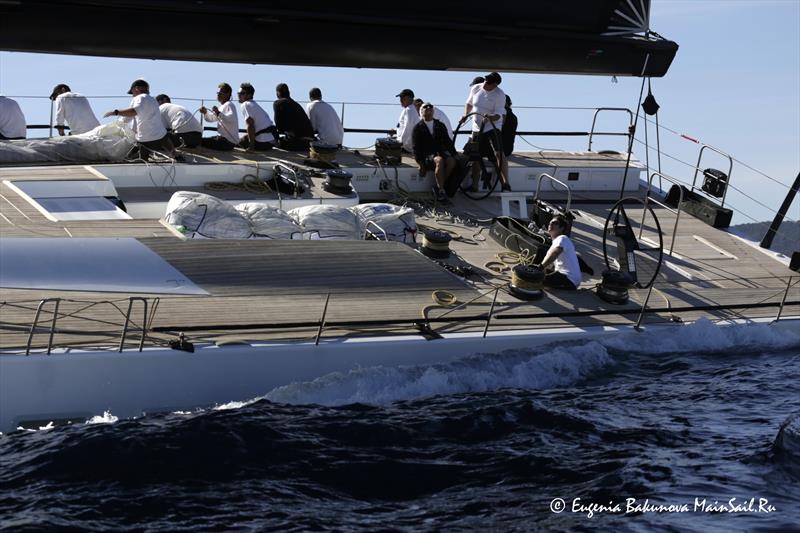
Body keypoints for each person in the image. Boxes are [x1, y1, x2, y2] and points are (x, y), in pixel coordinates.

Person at [103, 79, 176, 160]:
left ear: (136, 89)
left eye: (132, 92)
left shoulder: (140, 97)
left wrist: (115, 112)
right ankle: (175, 155)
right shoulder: (153, 100)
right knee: (165, 138)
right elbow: (128, 118)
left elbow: (133, 112)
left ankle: (132, 161)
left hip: (146, 139)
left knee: (131, 157)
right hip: (161, 137)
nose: (133, 95)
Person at [462, 72, 510, 191]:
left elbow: (499, 115)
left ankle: (505, 183)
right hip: (477, 128)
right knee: (475, 156)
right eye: (485, 80)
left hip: (492, 127)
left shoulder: (500, 95)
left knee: (499, 153)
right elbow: (469, 103)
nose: (485, 84)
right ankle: (474, 185)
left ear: (495, 85)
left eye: (488, 82)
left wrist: (490, 117)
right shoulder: (476, 88)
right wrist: (465, 115)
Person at [412, 102, 456, 204]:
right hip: (427, 156)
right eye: (425, 107)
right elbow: (416, 148)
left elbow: (447, 142)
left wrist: (455, 154)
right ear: (421, 111)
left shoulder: (439, 125)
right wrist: (421, 164)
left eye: (430, 106)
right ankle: (441, 191)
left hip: (439, 153)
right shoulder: (418, 128)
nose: (428, 108)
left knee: (452, 161)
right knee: (439, 160)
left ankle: (438, 186)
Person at [537, 214, 581, 290]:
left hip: (568, 278)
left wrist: (541, 266)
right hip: (570, 279)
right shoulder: (557, 241)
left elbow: (555, 253)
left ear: (561, 228)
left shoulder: (562, 238)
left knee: (534, 279)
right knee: (538, 274)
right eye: (550, 223)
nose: (551, 224)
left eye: (555, 223)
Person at [272, 83, 314, 150]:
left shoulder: (278, 103)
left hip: (298, 142)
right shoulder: (295, 104)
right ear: (289, 92)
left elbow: (279, 126)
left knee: (273, 139)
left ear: (278, 93)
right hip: (310, 143)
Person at [199, 82, 239, 151]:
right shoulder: (222, 107)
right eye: (218, 93)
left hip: (227, 142)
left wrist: (218, 113)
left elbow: (231, 119)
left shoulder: (229, 105)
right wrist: (205, 113)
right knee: (201, 141)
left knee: (200, 142)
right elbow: (211, 119)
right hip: (224, 141)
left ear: (228, 94)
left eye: (221, 93)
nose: (218, 94)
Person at [236, 83, 276, 151]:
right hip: (270, 141)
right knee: (242, 139)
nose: (239, 95)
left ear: (249, 95)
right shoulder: (254, 104)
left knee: (235, 144)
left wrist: (251, 146)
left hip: (262, 142)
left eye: (242, 93)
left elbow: (250, 124)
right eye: (238, 93)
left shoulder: (245, 104)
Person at [389, 88, 419, 153]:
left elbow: (408, 128)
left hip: (406, 146)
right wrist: (395, 130)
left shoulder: (409, 110)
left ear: (409, 99)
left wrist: (401, 143)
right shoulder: (410, 109)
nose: (401, 100)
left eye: (403, 98)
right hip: (407, 144)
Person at [500, 94, 518, 185]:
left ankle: (504, 182)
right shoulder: (514, 117)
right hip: (509, 148)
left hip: (501, 149)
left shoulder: (502, 114)